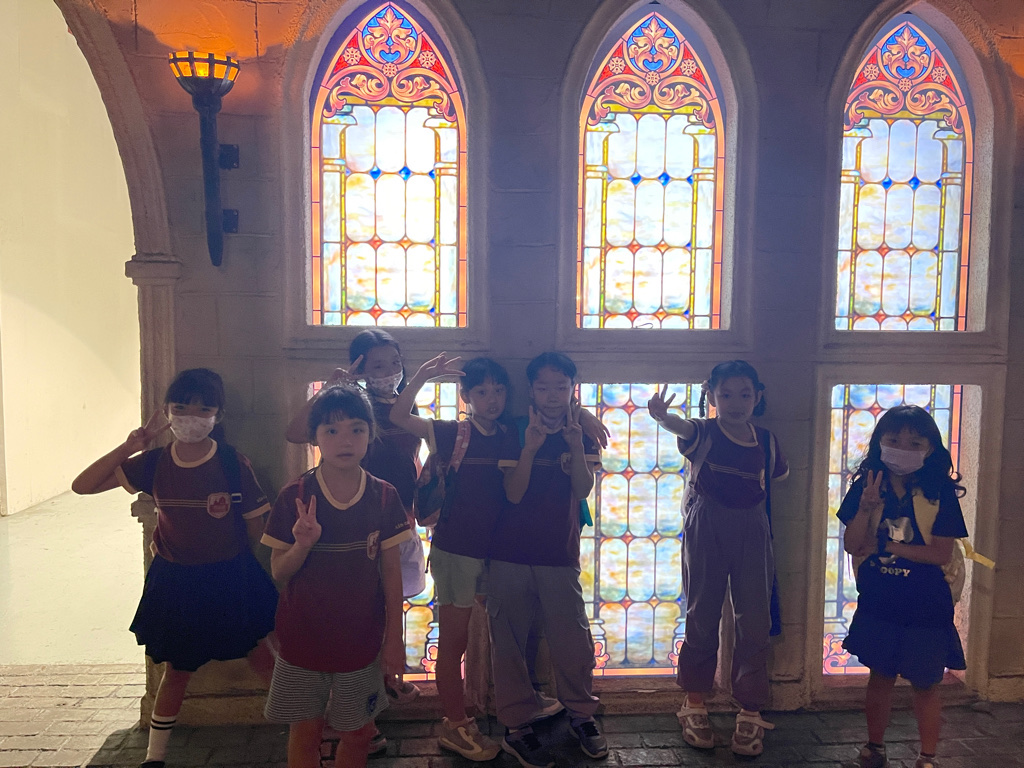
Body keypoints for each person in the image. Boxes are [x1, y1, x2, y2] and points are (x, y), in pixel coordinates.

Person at [72, 368, 278, 768]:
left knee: (263, 657)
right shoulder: (154, 462)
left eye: (203, 409)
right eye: (180, 408)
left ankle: (307, 733)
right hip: (176, 581)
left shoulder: (232, 463)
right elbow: (84, 485)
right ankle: (155, 757)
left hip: (230, 577)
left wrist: (234, 565)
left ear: (218, 414)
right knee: (177, 669)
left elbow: (257, 526)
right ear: (167, 411)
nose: (190, 417)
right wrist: (131, 445)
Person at [263, 385, 410, 768]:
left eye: (356, 429)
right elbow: (279, 570)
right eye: (332, 430)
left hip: (361, 640)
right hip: (302, 638)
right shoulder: (294, 495)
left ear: (370, 434)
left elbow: (391, 574)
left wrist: (394, 639)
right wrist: (302, 545)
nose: (346, 440)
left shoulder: (384, 496)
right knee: (306, 732)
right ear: (314, 437)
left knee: (359, 733)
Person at [648, 360, 787, 757]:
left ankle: (750, 709)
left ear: (758, 396)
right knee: (702, 614)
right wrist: (663, 417)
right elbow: (682, 427)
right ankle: (694, 702)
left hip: (753, 529)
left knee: (755, 619)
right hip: (706, 525)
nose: (736, 403)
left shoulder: (767, 441)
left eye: (745, 394)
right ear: (711, 396)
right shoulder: (703, 431)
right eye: (726, 394)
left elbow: (778, 478)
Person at [285, 328, 423, 713]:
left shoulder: (406, 405)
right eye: (378, 365)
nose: (390, 371)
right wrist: (331, 388)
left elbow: (412, 459)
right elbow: (295, 433)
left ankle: (383, 679)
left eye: (395, 363)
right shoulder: (352, 408)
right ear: (360, 369)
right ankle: (357, 700)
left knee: (392, 597)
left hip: (400, 517)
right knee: (362, 602)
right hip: (356, 518)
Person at [489, 351, 607, 768]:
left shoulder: (582, 433)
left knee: (572, 639)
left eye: (561, 387)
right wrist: (530, 448)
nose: (553, 395)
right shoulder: (513, 429)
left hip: (560, 552)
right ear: (531, 390)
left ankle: (582, 715)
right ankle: (516, 727)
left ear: (573, 389)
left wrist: (575, 442)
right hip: (509, 553)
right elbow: (513, 493)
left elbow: (582, 490)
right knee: (509, 642)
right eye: (543, 387)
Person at [390, 353, 508, 761]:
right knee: (453, 643)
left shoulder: (510, 434)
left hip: (497, 553)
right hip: (455, 551)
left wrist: (584, 419)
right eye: (482, 391)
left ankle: (484, 711)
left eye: (499, 390)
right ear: (466, 396)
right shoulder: (450, 432)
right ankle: (455, 724)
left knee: (502, 637)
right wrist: (422, 375)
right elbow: (399, 416)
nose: (492, 399)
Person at [837, 405, 968, 768]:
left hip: (927, 607)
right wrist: (866, 507)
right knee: (879, 678)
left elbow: (940, 553)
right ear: (880, 442)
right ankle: (874, 747)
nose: (902, 448)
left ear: (930, 448)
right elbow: (852, 544)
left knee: (926, 684)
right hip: (879, 603)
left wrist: (887, 546)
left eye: (914, 442)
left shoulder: (939, 491)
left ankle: (927, 757)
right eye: (893, 440)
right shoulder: (867, 486)